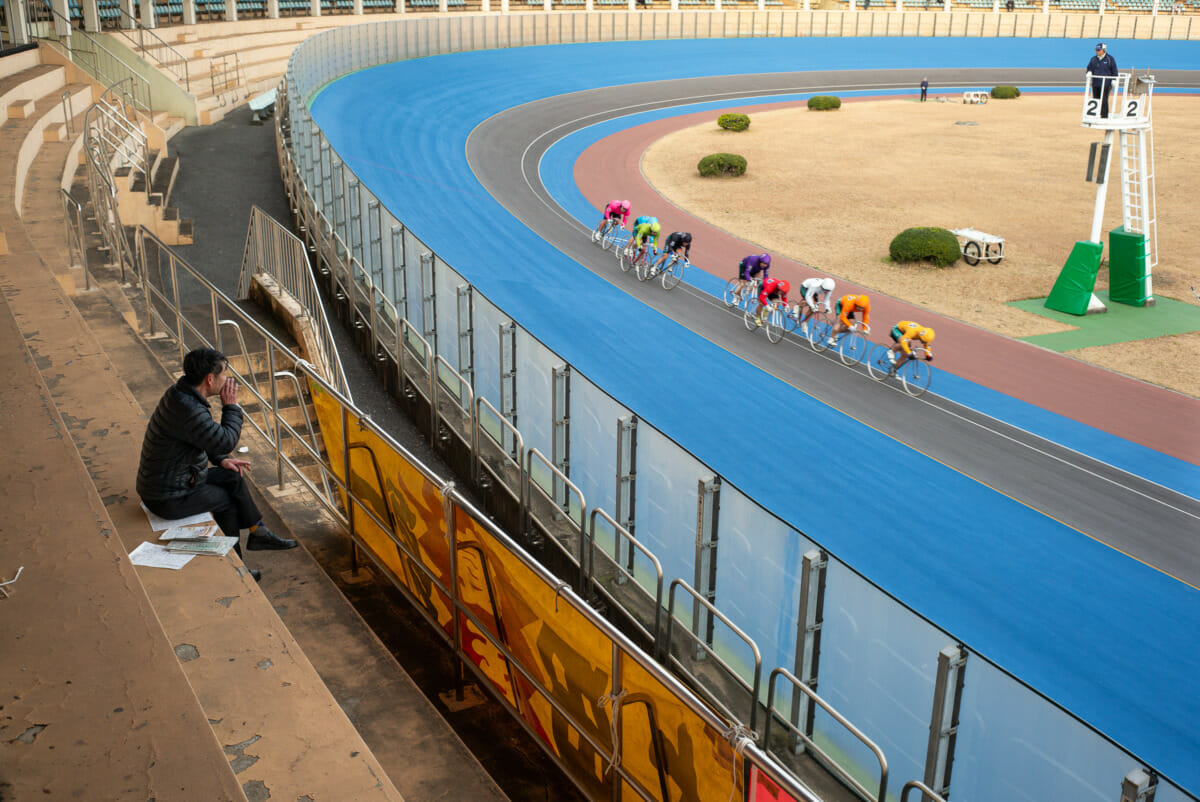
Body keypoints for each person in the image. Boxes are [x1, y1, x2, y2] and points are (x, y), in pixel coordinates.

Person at [137, 348, 298, 582]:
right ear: (210, 379)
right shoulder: (189, 408)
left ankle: (257, 531)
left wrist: (221, 459)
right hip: (168, 496)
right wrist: (231, 407)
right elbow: (226, 439)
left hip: (174, 479)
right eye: (224, 374)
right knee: (226, 502)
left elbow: (200, 437)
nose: (228, 380)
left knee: (232, 475)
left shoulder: (181, 395)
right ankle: (237, 569)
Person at [1086, 42, 1117, 119]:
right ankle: (1096, 114)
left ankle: (1104, 116)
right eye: (1096, 50)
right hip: (1096, 83)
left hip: (1105, 83)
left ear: (1104, 50)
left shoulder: (1110, 59)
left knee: (1103, 99)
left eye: (1099, 50)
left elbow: (1114, 70)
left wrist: (1114, 79)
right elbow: (1089, 67)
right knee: (1096, 99)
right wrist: (1089, 72)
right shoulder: (1093, 59)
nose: (1097, 51)